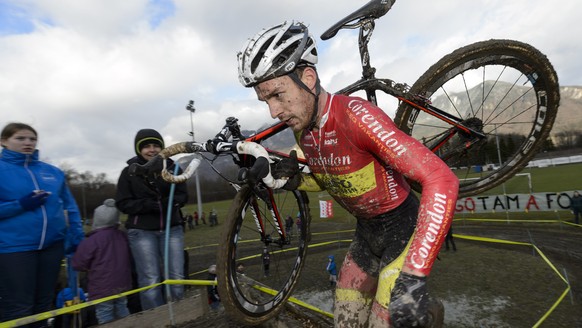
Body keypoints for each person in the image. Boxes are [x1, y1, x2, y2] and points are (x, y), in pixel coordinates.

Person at [237, 21, 459, 327]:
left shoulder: (357, 116)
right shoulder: (304, 131)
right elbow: (335, 178)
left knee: (385, 320)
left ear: (308, 78)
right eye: (266, 101)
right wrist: (294, 179)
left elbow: (442, 179)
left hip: (402, 230)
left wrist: (415, 275)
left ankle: (428, 312)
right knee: (345, 322)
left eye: (278, 95)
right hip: (366, 234)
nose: (274, 112)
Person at [0, 122, 84, 327]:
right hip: (14, 248)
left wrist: (76, 235)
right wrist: (20, 205)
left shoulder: (53, 172)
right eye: (20, 138)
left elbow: (70, 206)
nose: (28, 142)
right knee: (19, 306)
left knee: (44, 304)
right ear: (3, 141)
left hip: (52, 247)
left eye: (32, 139)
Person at [115, 128, 189, 310]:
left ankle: (177, 314)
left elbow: (183, 196)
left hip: (172, 229)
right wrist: (146, 205)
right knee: (150, 279)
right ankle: (155, 318)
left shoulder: (173, 167)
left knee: (177, 277)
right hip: (142, 232)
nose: (152, 150)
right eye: (147, 146)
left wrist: (170, 204)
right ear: (139, 150)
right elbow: (123, 203)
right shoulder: (129, 172)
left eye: (156, 145)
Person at [72, 199, 132, 324]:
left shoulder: (92, 241)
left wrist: (86, 267)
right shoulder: (122, 236)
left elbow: (78, 263)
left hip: (101, 287)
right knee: (122, 308)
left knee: (104, 313)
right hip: (122, 284)